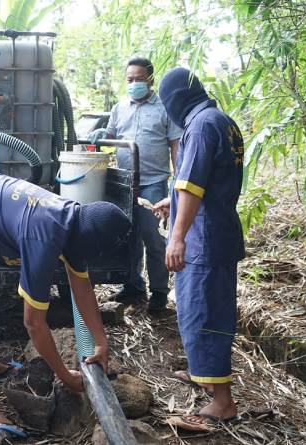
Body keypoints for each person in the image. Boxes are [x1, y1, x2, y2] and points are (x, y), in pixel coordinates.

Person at [0, 173, 130, 438]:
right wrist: (65, 377)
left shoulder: (74, 222)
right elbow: (33, 323)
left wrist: (101, 341)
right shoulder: (43, 236)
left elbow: (83, 287)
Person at [153, 67, 245, 432]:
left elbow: (191, 187)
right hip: (219, 233)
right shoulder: (221, 120)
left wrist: (177, 236)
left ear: (175, 99)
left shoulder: (201, 126)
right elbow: (207, 181)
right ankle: (205, 375)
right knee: (213, 311)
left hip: (203, 241)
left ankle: (221, 401)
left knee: (201, 314)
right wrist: (171, 204)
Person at [89, 57, 182, 313]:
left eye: (139, 79)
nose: (134, 84)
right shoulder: (120, 108)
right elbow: (109, 137)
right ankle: (133, 285)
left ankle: (160, 293)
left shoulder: (165, 109)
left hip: (152, 182)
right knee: (127, 236)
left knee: (152, 236)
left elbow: (175, 144)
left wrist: (178, 178)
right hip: (123, 182)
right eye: (129, 80)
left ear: (151, 80)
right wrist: (100, 136)